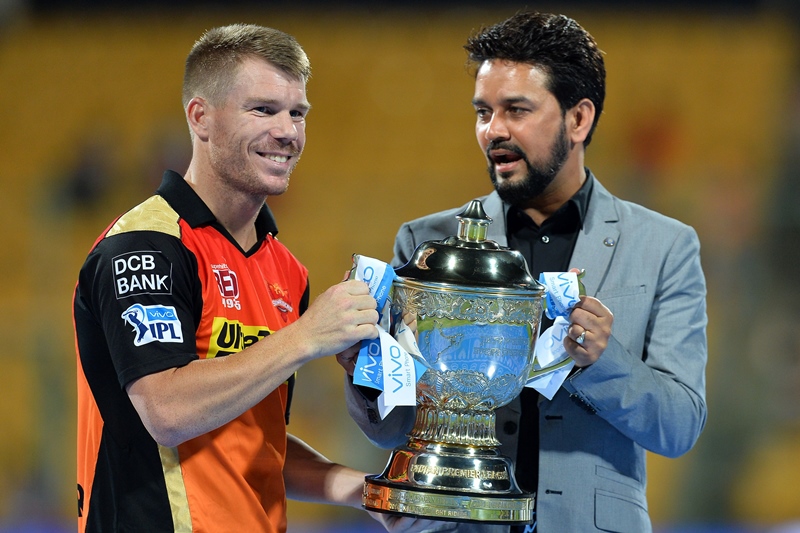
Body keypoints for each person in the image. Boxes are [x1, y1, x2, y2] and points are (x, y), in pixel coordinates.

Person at [340, 11, 708, 533]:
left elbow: (678, 426)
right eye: (483, 111)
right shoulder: (423, 244)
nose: (494, 131)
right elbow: (394, 428)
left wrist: (601, 361)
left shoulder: (665, 246)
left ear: (578, 120)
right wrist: (364, 371)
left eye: (516, 110)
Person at [73, 23, 436, 533]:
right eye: (263, 110)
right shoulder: (144, 246)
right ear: (201, 117)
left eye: (298, 113)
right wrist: (305, 337)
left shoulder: (285, 269)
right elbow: (168, 410)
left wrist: (371, 491)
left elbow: (254, 444)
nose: (288, 131)